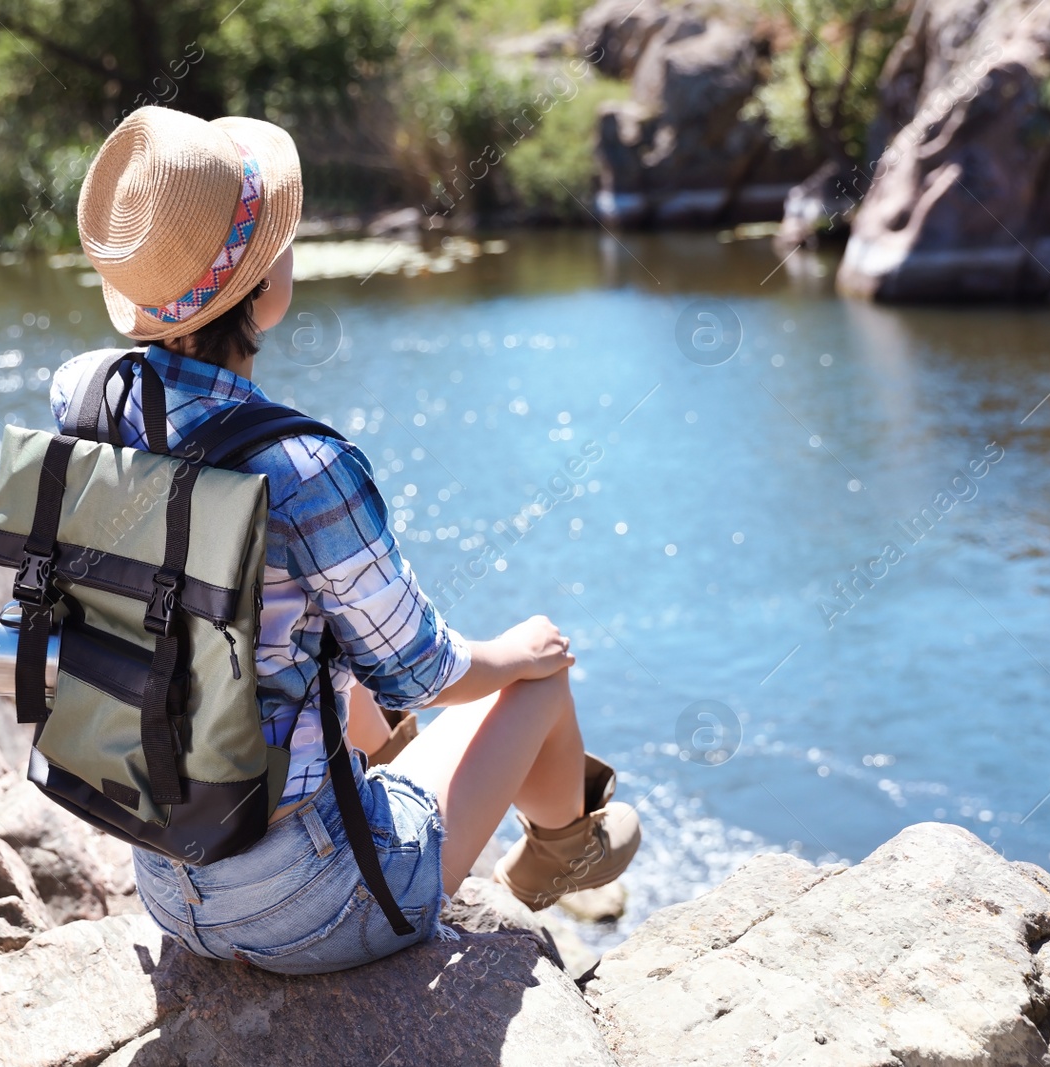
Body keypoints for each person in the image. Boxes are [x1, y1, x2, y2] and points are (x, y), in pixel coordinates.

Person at [52, 106, 640, 975]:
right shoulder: (302, 465)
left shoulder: (84, 395)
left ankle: (420, 787)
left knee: (286, 637)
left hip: (164, 881)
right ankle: (560, 851)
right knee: (538, 674)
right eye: (276, 244)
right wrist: (512, 654)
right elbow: (424, 671)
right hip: (310, 906)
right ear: (260, 289)